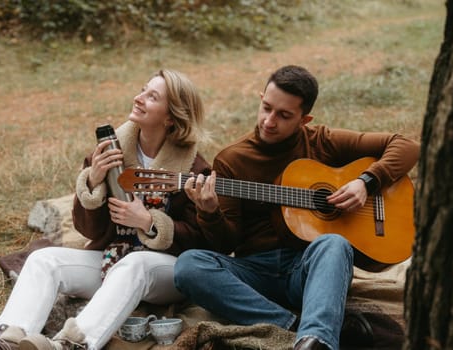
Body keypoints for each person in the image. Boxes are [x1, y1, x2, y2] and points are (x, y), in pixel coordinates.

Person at [174, 65, 420, 350]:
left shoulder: (321, 141)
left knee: (334, 243)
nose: (269, 121)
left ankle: (316, 337)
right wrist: (209, 211)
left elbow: (406, 146)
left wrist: (366, 183)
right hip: (255, 273)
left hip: (310, 271)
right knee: (189, 265)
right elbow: (224, 243)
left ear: (305, 119)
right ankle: (306, 333)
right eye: (266, 107)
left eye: (284, 115)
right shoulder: (232, 159)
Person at [0, 69, 212, 350]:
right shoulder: (109, 151)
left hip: (165, 271)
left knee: (134, 264)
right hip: (112, 258)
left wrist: (149, 223)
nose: (138, 98)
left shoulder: (193, 169)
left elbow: (204, 243)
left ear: (171, 116)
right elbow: (88, 230)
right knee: (43, 260)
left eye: (152, 96)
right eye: (142, 89)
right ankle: (3, 342)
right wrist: (93, 183)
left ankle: (73, 344)